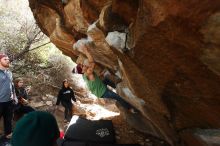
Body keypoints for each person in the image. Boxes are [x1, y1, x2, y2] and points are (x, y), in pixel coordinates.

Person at [73, 40, 135, 112]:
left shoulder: (84, 75)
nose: (83, 65)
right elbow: (92, 62)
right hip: (102, 92)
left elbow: (93, 77)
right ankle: (130, 109)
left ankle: (117, 86)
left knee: (105, 79)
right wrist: (86, 51)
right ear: (82, 71)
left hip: (99, 88)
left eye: (82, 64)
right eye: (82, 66)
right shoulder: (88, 72)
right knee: (117, 97)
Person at [0, 53, 17, 139]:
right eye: (5, 59)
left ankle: (8, 135)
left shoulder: (9, 72)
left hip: (9, 102)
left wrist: (14, 96)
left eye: (8, 59)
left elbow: (12, 85)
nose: (8, 60)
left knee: (8, 120)